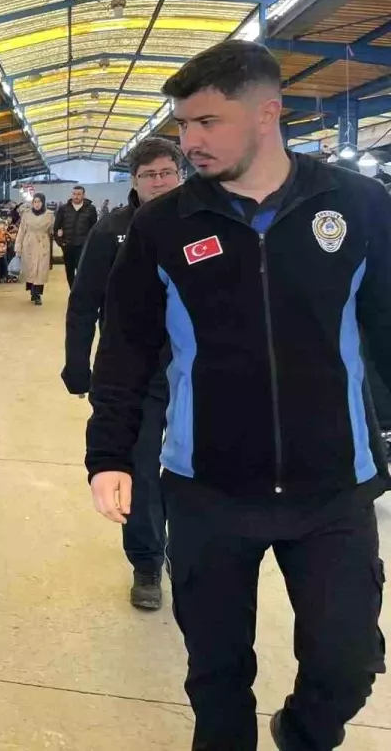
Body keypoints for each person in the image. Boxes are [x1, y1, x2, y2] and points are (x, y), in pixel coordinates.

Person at [86, 40, 388, 751]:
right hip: (208, 491)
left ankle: (304, 733)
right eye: (183, 125)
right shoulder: (165, 226)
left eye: (207, 123)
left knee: (349, 665)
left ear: (267, 114)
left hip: (332, 488)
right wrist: (108, 454)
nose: (189, 142)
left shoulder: (359, 205)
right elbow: (125, 347)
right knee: (217, 675)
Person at [62, 137, 183, 610]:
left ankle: (184, 546)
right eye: (148, 175)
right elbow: (83, 301)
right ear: (133, 181)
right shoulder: (112, 230)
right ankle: (147, 563)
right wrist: (77, 361)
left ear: (180, 174)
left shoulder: (203, 223)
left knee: (195, 469)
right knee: (140, 472)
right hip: (136, 375)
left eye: (166, 172)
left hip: (196, 373)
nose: (158, 182)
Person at [53, 186, 97, 287]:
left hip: (83, 246)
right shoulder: (63, 209)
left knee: (82, 271)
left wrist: (90, 244)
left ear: (83, 195)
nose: (76, 196)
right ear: (71, 194)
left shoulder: (91, 209)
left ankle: (80, 292)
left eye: (79, 194)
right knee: (69, 270)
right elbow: (56, 228)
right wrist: (61, 243)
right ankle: (73, 291)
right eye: (74, 194)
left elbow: (94, 228)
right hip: (68, 246)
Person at [16, 193, 54, 305]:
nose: (37, 204)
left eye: (39, 202)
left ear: (43, 203)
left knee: (40, 270)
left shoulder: (49, 215)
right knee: (30, 268)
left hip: (42, 243)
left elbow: (52, 229)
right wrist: (18, 245)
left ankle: (37, 294)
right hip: (29, 243)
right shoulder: (26, 214)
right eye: (35, 202)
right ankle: (32, 292)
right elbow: (21, 231)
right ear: (33, 203)